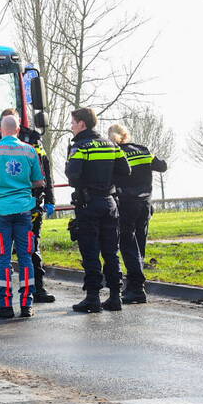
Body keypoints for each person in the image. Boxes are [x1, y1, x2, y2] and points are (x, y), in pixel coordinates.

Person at [0, 115, 46, 318]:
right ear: (18, 130)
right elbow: (39, 182)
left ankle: (5, 305)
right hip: (23, 211)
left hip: (0, 212)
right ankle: (26, 305)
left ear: (1, 130)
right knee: (25, 258)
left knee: (3, 259)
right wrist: (21, 184)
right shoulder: (30, 150)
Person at [0, 109, 57, 303]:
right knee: (15, 254)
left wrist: (50, 199)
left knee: (29, 250)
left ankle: (36, 289)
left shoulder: (33, 139)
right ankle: (23, 299)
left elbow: (45, 170)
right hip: (16, 205)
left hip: (28, 204)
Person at [65, 107, 132, 313]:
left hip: (88, 205)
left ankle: (93, 298)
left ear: (82, 124)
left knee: (90, 251)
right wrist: (108, 183)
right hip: (110, 204)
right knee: (111, 251)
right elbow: (126, 170)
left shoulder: (80, 147)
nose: (71, 126)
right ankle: (115, 297)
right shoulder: (111, 145)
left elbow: (72, 176)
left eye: (73, 123)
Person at [107, 123, 168, 304]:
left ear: (111, 137)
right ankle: (135, 286)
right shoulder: (143, 150)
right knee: (139, 245)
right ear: (126, 134)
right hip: (145, 204)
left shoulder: (115, 153)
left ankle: (136, 288)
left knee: (128, 246)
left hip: (126, 204)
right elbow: (162, 166)